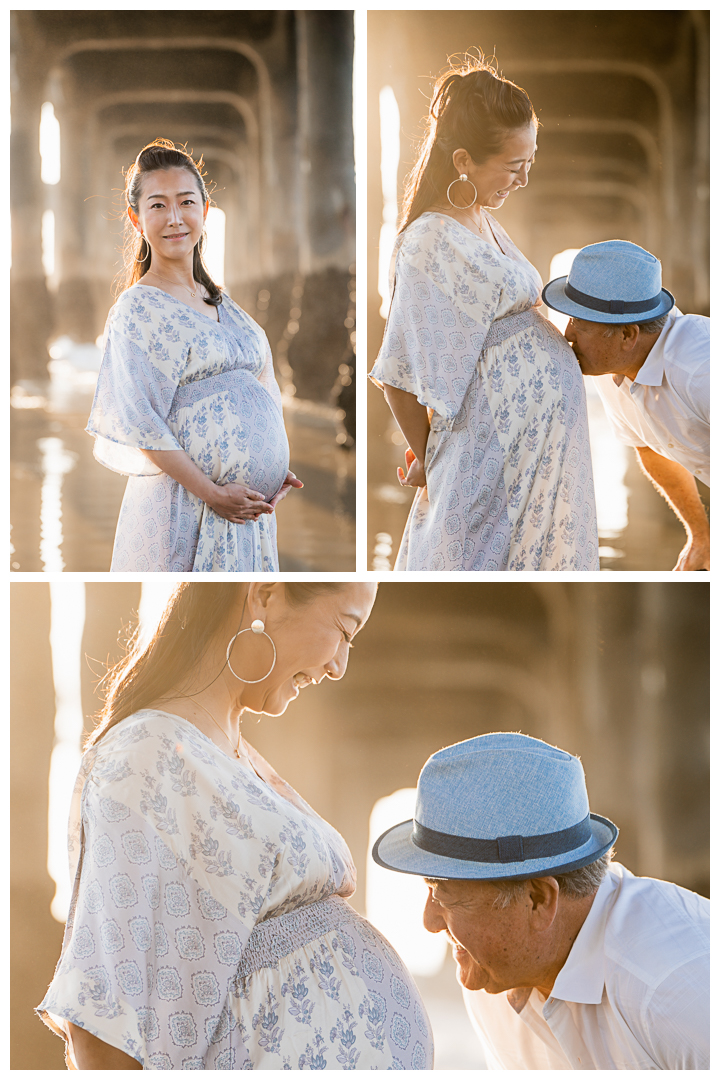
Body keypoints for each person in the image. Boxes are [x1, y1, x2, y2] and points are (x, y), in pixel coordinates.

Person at [37, 583, 433, 1070]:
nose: (339, 666)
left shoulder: (230, 751)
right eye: (344, 630)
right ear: (265, 595)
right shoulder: (148, 756)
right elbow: (103, 1018)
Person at [370, 56, 598, 571]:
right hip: (491, 451)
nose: (523, 180)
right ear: (464, 160)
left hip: (533, 449)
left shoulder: (485, 223)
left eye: (530, 163)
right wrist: (429, 460)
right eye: (514, 166)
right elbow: (398, 374)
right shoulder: (427, 240)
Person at [373, 732, 709, 1070]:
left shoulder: (679, 993)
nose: (429, 921)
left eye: (447, 897)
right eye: (429, 890)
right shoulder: (493, 980)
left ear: (538, 900)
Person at [87, 140, 302, 572]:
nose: (175, 218)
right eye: (158, 205)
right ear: (136, 219)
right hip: (187, 509)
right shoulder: (138, 308)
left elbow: (261, 384)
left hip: (245, 515)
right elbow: (141, 421)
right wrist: (212, 492)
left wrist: (276, 468)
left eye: (186, 202)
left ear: (205, 209)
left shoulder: (225, 305)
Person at [543, 240, 710, 571]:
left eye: (582, 325)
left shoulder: (702, 370)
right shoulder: (609, 366)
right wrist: (701, 534)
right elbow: (650, 449)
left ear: (627, 336)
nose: (567, 334)